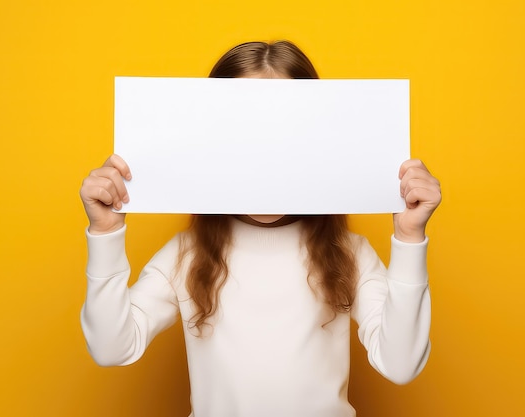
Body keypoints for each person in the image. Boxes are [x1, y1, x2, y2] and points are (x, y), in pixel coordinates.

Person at [79, 41, 442, 417]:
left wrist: (409, 239)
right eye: (246, 135)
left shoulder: (350, 253)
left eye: (284, 134)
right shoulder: (186, 254)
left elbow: (401, 365)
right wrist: (105, 233)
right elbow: (112, 348)